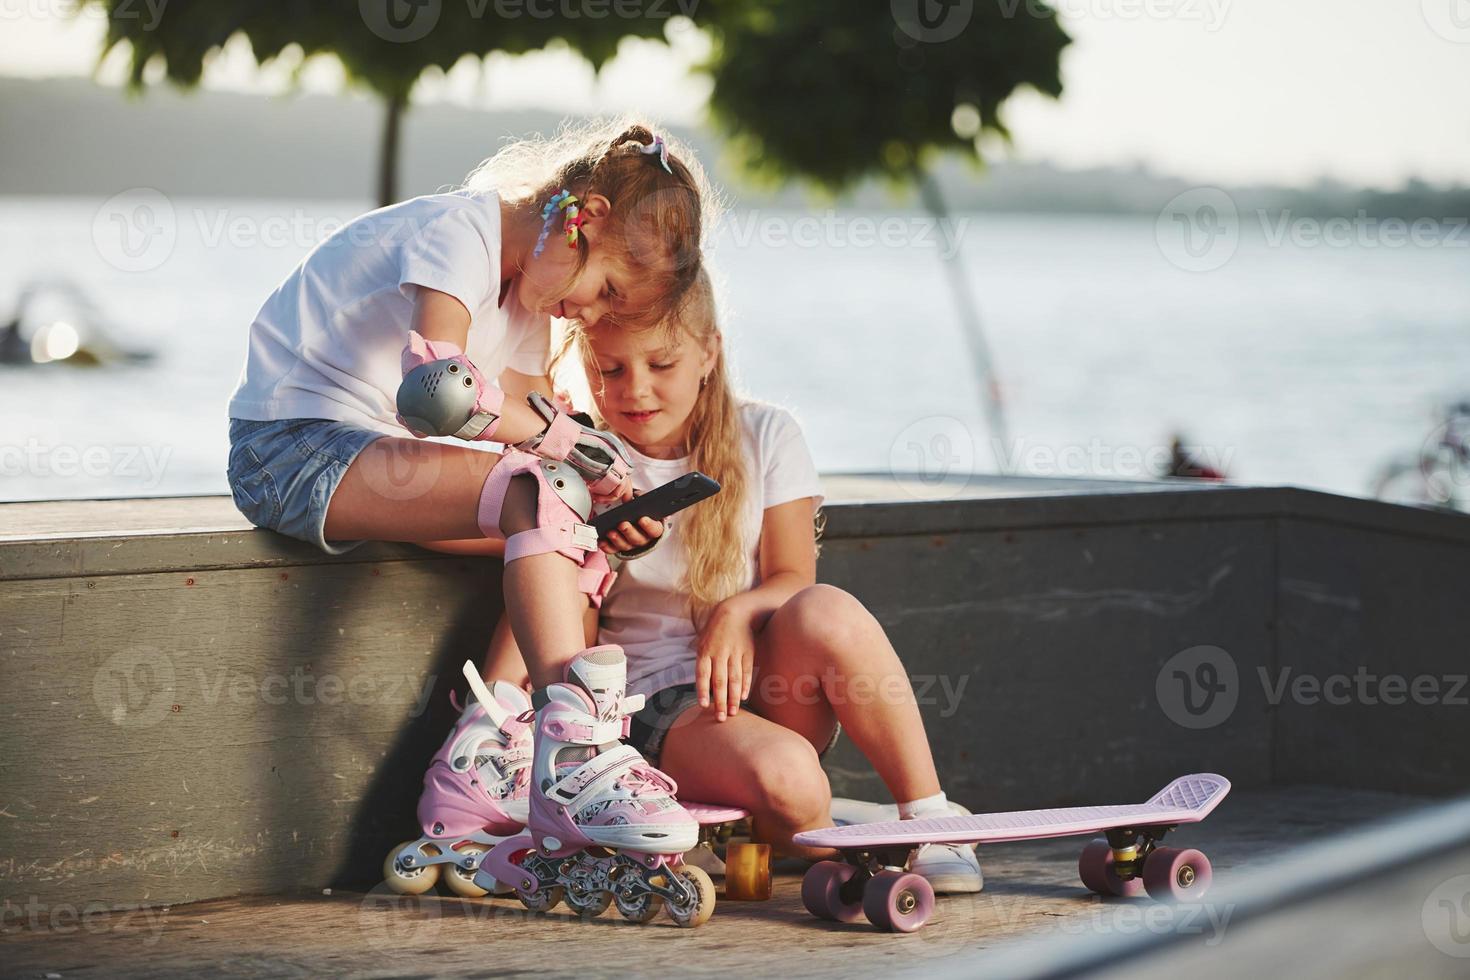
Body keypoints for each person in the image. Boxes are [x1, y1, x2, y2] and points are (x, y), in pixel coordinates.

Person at [225, 120, 728, 919]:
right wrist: (575, 444)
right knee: (542, 488)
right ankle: (579, 756)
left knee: (577, 531)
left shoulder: (530, 299)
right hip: (293, 450)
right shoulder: (458, 233)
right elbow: (438, 394)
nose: (583, 313)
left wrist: (611, 493)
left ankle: (481, 759)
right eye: (600, 289)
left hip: (374, 464)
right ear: (581, 216)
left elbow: (535, 434)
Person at [481, 270, 984, 893]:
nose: (635, 389)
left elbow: (794, 577)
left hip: (763, 682)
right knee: (794, 776)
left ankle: (931, 816)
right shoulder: (580, 456)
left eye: (661, 363)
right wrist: (592, 554)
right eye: (610, 370)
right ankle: (804, 827)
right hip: (657, 705)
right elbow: (569, 644)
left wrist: (736, 614)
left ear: (708, 352)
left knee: (826, 608)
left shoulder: (767, 434)